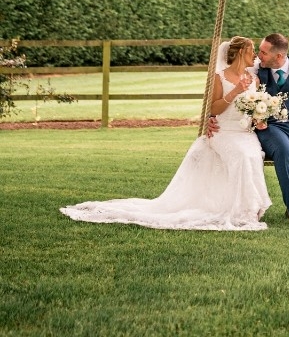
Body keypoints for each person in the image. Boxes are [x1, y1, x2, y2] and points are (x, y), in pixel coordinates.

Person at [60, 36, 272, 231]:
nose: (254, 55)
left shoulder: (253, 79)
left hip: (245, 133)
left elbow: (254, 107)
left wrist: (259, 118)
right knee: (242, 156)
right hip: (222, 131)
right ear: (240, 52)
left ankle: (251, 208)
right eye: (251, 50)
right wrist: (235, 91)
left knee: (253, 154)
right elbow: (214, 109)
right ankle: (240, 210)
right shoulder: (220, 77)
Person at [208, 32, 289, 228]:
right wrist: (211, 118)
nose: (258, 56)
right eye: (258, 51)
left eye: (263, 52)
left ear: (278, 56)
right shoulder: (257, 69)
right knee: (283, 149)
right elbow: (228, 87)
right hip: (269, 126)